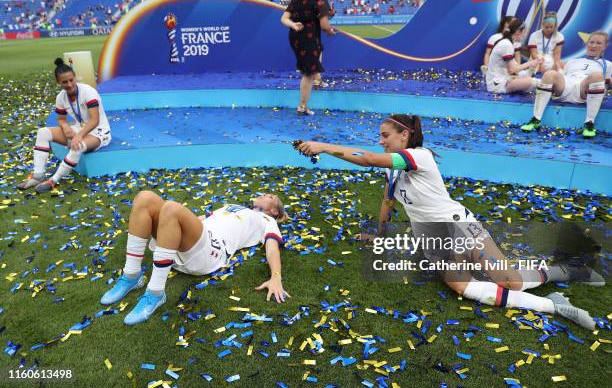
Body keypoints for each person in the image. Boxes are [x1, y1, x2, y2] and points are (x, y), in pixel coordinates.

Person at [297, 114, 604, 330]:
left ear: (404, 135)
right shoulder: (392, 170)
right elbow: (387, 202)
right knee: (463, 287)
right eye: (380, 136)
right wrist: (380, 232)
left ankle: (566, 270)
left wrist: (325, 146)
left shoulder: (419, 156)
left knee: (508, 281)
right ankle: (555, 305)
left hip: (460, 227)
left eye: (385, 136)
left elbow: (366, 159)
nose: (381, 141)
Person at [100, 191, 290, 325]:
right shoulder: (233, 207)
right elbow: (200, 220)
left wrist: (276, 277)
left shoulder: (268, 220)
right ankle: (131, 276)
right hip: (185, 242)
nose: (265, 194)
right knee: (144, 198)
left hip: (212, 251)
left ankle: (156, 293)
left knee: (172, 208)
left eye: (270, 197)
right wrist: (144, 223)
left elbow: (272, 249)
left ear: (274, 211)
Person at [17, 58, 111, 193]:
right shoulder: (61, 97)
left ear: (74, 77)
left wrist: (78, 135)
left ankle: (53, 180)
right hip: (80, 129)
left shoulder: (88, 91)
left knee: (77, 145)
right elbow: (61, 119)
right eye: (64, 82)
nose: (69, 84)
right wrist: (66, 127)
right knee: (43, 132)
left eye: (71, 80)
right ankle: (38, 176)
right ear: (58, 82)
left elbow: (95, 120)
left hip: (99, 131)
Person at [521, 31, 610, 138]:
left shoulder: (608, 65)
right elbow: (562, 75)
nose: (594, 45)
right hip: (567, 85)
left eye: (599, 43)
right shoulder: (573, 61)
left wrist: (603, 81)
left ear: (605, 46)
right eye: (591, 42)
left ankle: (589, 123)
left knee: (597, 75)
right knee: (550, 74)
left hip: (584, 90)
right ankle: (536, 119)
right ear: (587, 44)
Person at [281, 0, 335, 116]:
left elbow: (284, 19)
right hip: (310, 37)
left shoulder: (296, 0)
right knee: (308, 73)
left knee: (316, 54)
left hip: (296, 37)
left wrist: (293, 25)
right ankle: (302, 107)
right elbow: (324, 25)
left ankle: (318, 79)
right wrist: (330, 31)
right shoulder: (320, 0)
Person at [485, 18, 543, 94]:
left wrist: (533, 65)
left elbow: (515, 68)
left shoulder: (508, 43)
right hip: (497, 85)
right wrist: (530, 63)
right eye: (524, 32)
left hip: (500, 81)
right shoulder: (506, 44)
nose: (524, 35)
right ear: (518, 32)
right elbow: (512, 70)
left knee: (528, 79)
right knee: (532, 82)